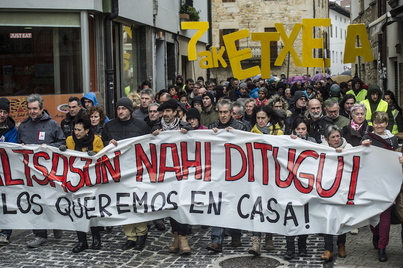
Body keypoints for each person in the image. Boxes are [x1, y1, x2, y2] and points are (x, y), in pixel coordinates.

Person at [102, 97, 151, 250]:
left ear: (130, 110)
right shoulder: (109, 126)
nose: (121, 111)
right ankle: (130, 236)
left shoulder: (141, 126)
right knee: (123, 203)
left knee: (138, 202)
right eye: (118, 109)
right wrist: (107, 144)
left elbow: (149, 145)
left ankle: (142, 233)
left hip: (137, 171)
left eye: (124, 108)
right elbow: (102, 144)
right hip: (118, 172)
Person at [18, 94, 65, 248]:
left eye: (35, 109)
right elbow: (18, 146)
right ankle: (39, 234)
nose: (32, 112)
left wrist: (50, 148)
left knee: (49, 201)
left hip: (49, 172)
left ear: (41, 108)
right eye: (30, 109)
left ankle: (56, 224)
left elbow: (63, 144)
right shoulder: (23, 126)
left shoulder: (52, 125)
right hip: (31, 174)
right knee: (34, 203)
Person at [152, 99, 193, 255]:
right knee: (171, 204)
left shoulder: (185, 126)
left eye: (169, 111)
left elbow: (196, 145)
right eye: (164, 112)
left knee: (182, 204)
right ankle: (176, 237)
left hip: (183, 172)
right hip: (165, 172)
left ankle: (183, 238)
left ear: (176, 112)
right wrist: (153, 137)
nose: (166, 114)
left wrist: (187, 135)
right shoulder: (157, 127)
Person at [206, 99, 247, 253]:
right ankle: (216, 240)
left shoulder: (241, 127)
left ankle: (236, 233)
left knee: (234, 204)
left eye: (225, 112)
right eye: (220, 112)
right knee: (218, 205)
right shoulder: (212, 127)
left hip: (236, 172)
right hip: (218, 172)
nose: (222, 115)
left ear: (231, 113)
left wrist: (235, 136)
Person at [361, 111, 400, 262]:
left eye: (382, 122)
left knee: (385, 217)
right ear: (373, 123)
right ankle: (376, 235)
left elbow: (396, 160)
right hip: (371, 182)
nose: (379, 125)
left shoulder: (393, 140)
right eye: (376, 123)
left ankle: (383, 247)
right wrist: (362, 146)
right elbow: (361, 156)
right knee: (373, 215)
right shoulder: (367, 137)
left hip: (388, 182)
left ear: (386, 123)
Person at [63, 116, 104, 253]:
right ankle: (82, 241)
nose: (76, 132)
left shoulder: (96, 140)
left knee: (92, 210)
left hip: (91, 181)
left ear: (87, 130)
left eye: (79, 130)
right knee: (77, 210)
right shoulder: (69, 140)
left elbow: (103, 157)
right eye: (75, 129)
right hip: (75, 181)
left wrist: (94, 155)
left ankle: (96, 238)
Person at [248, 105, 283, 256]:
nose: (260, 121)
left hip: (272, 175)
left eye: (263, 118)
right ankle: (256, 240)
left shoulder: (278, 132)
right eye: (258, 118)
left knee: (270, 205)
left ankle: (269, 235)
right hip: (256, 175)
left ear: (268, 118)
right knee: (256, 207)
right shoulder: (250, 133)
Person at [283, 117, 315, 259]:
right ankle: (290, 248)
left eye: (303, 129)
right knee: (289, 216)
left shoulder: (313, 142)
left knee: (303, 217)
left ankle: (302, 246)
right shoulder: (288, 141)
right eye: (298, 129)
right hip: (290, 184)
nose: (301, 132)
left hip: (306, 184)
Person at [320, 125, 352, 261]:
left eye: (338, 136)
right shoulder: (320, 149)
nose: (336, 139)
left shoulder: (349, 148)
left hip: (343, 189)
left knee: (341, 219)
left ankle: (341, 245)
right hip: (326, 190)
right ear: (327, 139)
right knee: (327, 219)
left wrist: (342, 154)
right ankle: (328, 249)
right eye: (333, 137)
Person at [0, 98, 17, 246]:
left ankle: (5, 232)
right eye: (0, 111)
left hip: (5, 172)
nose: (2, 114)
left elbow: (12, 147)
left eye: (5, 112)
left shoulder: (11, 129)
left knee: (6, 203)